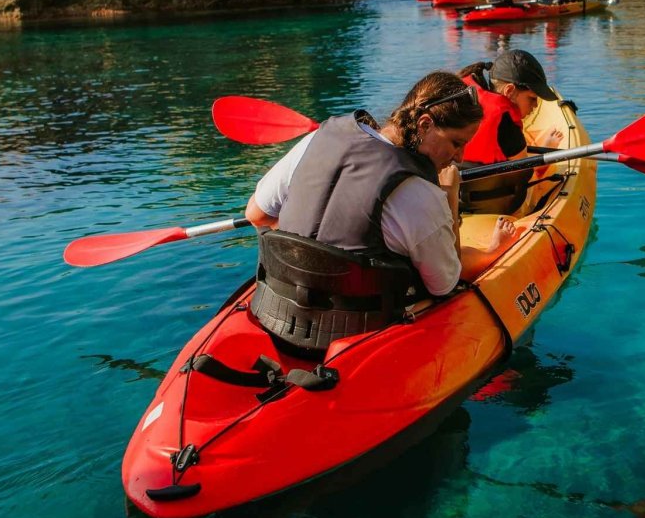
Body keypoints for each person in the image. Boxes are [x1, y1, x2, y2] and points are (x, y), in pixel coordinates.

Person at [243, 72, 520, 352]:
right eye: (456, 143)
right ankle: (494, 250)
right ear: (424, 124)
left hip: (279, 312)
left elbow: (256, 214)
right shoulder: (419, 193)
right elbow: (445, 284)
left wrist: (307, 250)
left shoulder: (318, 138)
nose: (459, 157)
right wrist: (449, 195)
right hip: (355, 335)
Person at [455, 50, 566, 213]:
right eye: (532, 98)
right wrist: (545, 155)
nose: (535, 107)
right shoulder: (506, 124)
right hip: (495, 204)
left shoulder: (457, 94)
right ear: (509, 91)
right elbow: (525, 171)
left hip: (453, 200)